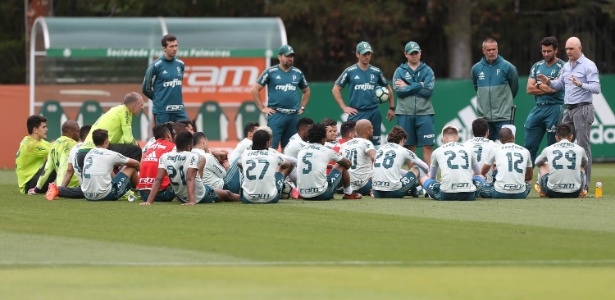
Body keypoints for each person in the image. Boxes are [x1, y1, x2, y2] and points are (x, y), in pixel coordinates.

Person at [537, 36, 600, 192]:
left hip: (583, 108)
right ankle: (563, 180)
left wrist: (581, 84)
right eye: (566, 48)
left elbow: (597, 88)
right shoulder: (566, 66)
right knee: (562, 143)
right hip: (569, 109)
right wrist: (548, 82)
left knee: (583, 148)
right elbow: (559, 85)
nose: (568, 51)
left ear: (580, 48)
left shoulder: (588, 65)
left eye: (571, 48)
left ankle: (584, 185)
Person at [140, 132, 240, 205]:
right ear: (189, 147)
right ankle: (245, 199)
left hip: (181, 197)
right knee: (227, 194)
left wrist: (149, 201)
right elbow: (190, 178)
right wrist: (192, 201)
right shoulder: (194, 156)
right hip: (200, 195)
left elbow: (158, 179)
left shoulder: (165, 156)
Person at [332, 41, 395, 146]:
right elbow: (335, 89)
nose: (367, 56)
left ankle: (373, 163)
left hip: (374, 112)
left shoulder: (376, 71)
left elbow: (388, 89)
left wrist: (392, 107)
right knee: (353, 144)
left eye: (369, 54)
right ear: (357, 54)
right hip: (357, 112)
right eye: (364, 54)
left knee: (375, 144)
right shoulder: (350, 71)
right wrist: (344, 107)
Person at [251, 44, 311, 150]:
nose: (290, 58)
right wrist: (262, 108)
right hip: (276, 114)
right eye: (287, 56)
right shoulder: (271, 72)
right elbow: (255, 89)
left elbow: (306, 91)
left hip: (293, 115)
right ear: (279, 57)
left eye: (291, 56)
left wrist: (302, 107)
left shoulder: (297, 73)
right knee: (271, 146)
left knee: (290, 148)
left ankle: (287, 167)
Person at [392, 41, 436, 164]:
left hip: (425, 112)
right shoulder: (399, 71)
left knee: (427, 146)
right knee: (409, 147)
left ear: (420, 53)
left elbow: (428, 91)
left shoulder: (427, 71)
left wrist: (408, 86)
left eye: (416, 53)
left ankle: (429, 179)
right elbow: (399, 92)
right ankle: (413, 179)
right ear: (406, 54)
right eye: (411, 53)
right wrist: (419, 85)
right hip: (405, 112)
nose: (414, 55)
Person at [525, 36, 565, 165]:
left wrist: (539, 85)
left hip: (554, 107)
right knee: (529, 145)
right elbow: (529, 89)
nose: (546, 54)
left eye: (549, 51)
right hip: (538, 107)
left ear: (556, 50)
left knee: (553, 146)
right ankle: (527, 181)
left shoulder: (562, 66)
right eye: (543, 51)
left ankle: (551, 178)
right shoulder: (537, 66)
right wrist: (544, 86)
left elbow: (554, 89)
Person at [77, 92, 144, 169]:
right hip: (96, 152)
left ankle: (119, 178)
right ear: (134, 106)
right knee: (136, 150)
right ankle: (124, 180)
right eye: (141, 105)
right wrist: (137, 145)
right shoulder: (125, 112)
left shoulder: (116, 110)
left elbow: (121, 142)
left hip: (82, 154)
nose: (142, 108)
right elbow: (128, 140)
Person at [296, 123, 362, 200]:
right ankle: (349, 193)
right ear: (323, 138)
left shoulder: (302, 151)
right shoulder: (326, 151)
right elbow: (348, 163)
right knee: (341, 165)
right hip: (321, 194)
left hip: (303, 194)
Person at [471, 38, 519, 140]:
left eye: (494, 49)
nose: (492, 52)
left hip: (504, 116)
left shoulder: (508, 67)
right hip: (484, 118)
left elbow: (513, 89)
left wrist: (504, 101)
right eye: (489, 50)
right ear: (483, 51)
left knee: (506, 146)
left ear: (497, 49)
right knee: (486, 149)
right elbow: (477, 87)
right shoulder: (476, 68)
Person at [420, 125, 484, 201]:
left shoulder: (437, 151)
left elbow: (432, 177)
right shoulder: (468, 149)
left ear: (443, 139)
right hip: (469, 195)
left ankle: (422, 191)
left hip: (446, 194)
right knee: (481, 176)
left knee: (420, 173)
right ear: (457, 137)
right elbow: (478, 172)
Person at [81, 129, 140, 201]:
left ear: (94, 142)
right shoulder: (111, 154)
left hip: (87, 195)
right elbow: (136, 163)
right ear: (106, 141)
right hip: (104, 195)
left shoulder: (89, 154)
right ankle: (140, 192)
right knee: (131, 166)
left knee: (109, 167)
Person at [142, 34, 189, 124]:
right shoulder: (155, 66)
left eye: (176, 46)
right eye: (171, 46)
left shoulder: (180, 64)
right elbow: (146, 88)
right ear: (164, 48)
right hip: (162, 111)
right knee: (163, 138)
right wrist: (159, 100)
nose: (174, 49)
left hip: (179, 110)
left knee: (187, 134)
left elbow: (177, 84)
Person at [371, 126, 429, 198]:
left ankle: (414, 188)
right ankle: (419, 191)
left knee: (397, 171)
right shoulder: (403, 150)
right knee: (417, 169)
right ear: (402, 140)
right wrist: (424, 177)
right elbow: (425, 166)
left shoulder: (379, 149)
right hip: (394, 192)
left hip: (377, 193)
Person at [534, 123, 588, 198]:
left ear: (556, 137)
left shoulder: (549, 148)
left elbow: (537, 162)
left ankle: (543, 192)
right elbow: (586, 163)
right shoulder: (580, 149)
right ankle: (581, 191)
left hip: (552, 192)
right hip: (574, 192)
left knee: (543, 165)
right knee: (581, 166)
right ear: (571, 136)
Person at [238, 130, 292, 204]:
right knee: (280, 170)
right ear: (267, 143)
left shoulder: (245, 153)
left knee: (242, 171)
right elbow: (287, 165)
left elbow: (238, 164)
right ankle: (281, 186)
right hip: (271, 198)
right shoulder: (273, 153)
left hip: (247, 199)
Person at [478, 127, 533, 199]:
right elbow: (529, 177)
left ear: (500, 140)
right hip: (520, 194)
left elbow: (483, 172)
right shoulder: (525, 151)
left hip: (499, 193)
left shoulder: (496, 150)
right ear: (513, 137)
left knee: (479, 185)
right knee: (528, 183)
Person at [33, 121, 80, 194]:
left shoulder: (54, 144)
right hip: (74, 184)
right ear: (70, 132)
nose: (79, 134)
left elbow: (47, 168)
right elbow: (63, 167)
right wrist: (60, 189)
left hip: (63, 184)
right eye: (78, 131)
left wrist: (37, 188)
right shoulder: (70, 143)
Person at [46, 125, 92, 200]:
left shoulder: (73, 148)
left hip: (82, 186)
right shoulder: (93, 148)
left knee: (82, 190)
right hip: (95, 187)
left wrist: (60, 189)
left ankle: (57, 190)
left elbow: (69, 171)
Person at [136, 124, 176, 202]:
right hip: (161, 194)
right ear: (168, 134)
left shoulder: (150, 147)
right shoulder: (172, 147)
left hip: (143, 194)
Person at [16, 115, 51, 194]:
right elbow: (56, 151)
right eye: (44, 127)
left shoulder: (33, 140)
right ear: (35, 130)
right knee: (55, 158)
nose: (46, 129)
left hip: (33, 179)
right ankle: (65, 188)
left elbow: (53, 146)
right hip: (29, 185)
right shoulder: (32, 145)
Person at [225, 122, 260, 193]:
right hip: (234, 173)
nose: (260, 134)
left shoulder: (247, 142)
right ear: (250, 134)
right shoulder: (248, 143)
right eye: (258, 132)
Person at [464, 118, 497, 183]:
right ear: (487, 132)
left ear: (473, 133)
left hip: (468, 185)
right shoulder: (495, 146)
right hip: (486, 186)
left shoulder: (464, 146)